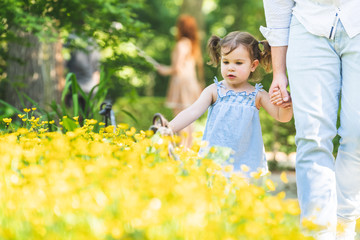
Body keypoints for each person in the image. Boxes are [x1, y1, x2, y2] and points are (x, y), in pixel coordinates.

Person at [260, 1, 360, 239]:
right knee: (312, 135)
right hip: (307, 26)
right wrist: (278, 72)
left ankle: (344, 222)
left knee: (357, 133)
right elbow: (277, 6)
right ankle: (318, 231)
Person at [166, 31, 292, 176]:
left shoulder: (257, 95)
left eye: (238, 63)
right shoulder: (214, 91)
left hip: (247, 164)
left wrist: (286, 106)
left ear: (253, 65)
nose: (231, 67)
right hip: (215, 161)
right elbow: (192, 111)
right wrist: (170, 128)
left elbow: (282, 117)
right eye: (226, 62)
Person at [156, 14, 204, 148]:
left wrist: (163, 69)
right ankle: (188, 148)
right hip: (191, 83)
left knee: (180, 117)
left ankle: (182, 148)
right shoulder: (193, 45)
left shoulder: (181, 44)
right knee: (189, 118)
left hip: (181, 84)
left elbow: (176, 68)